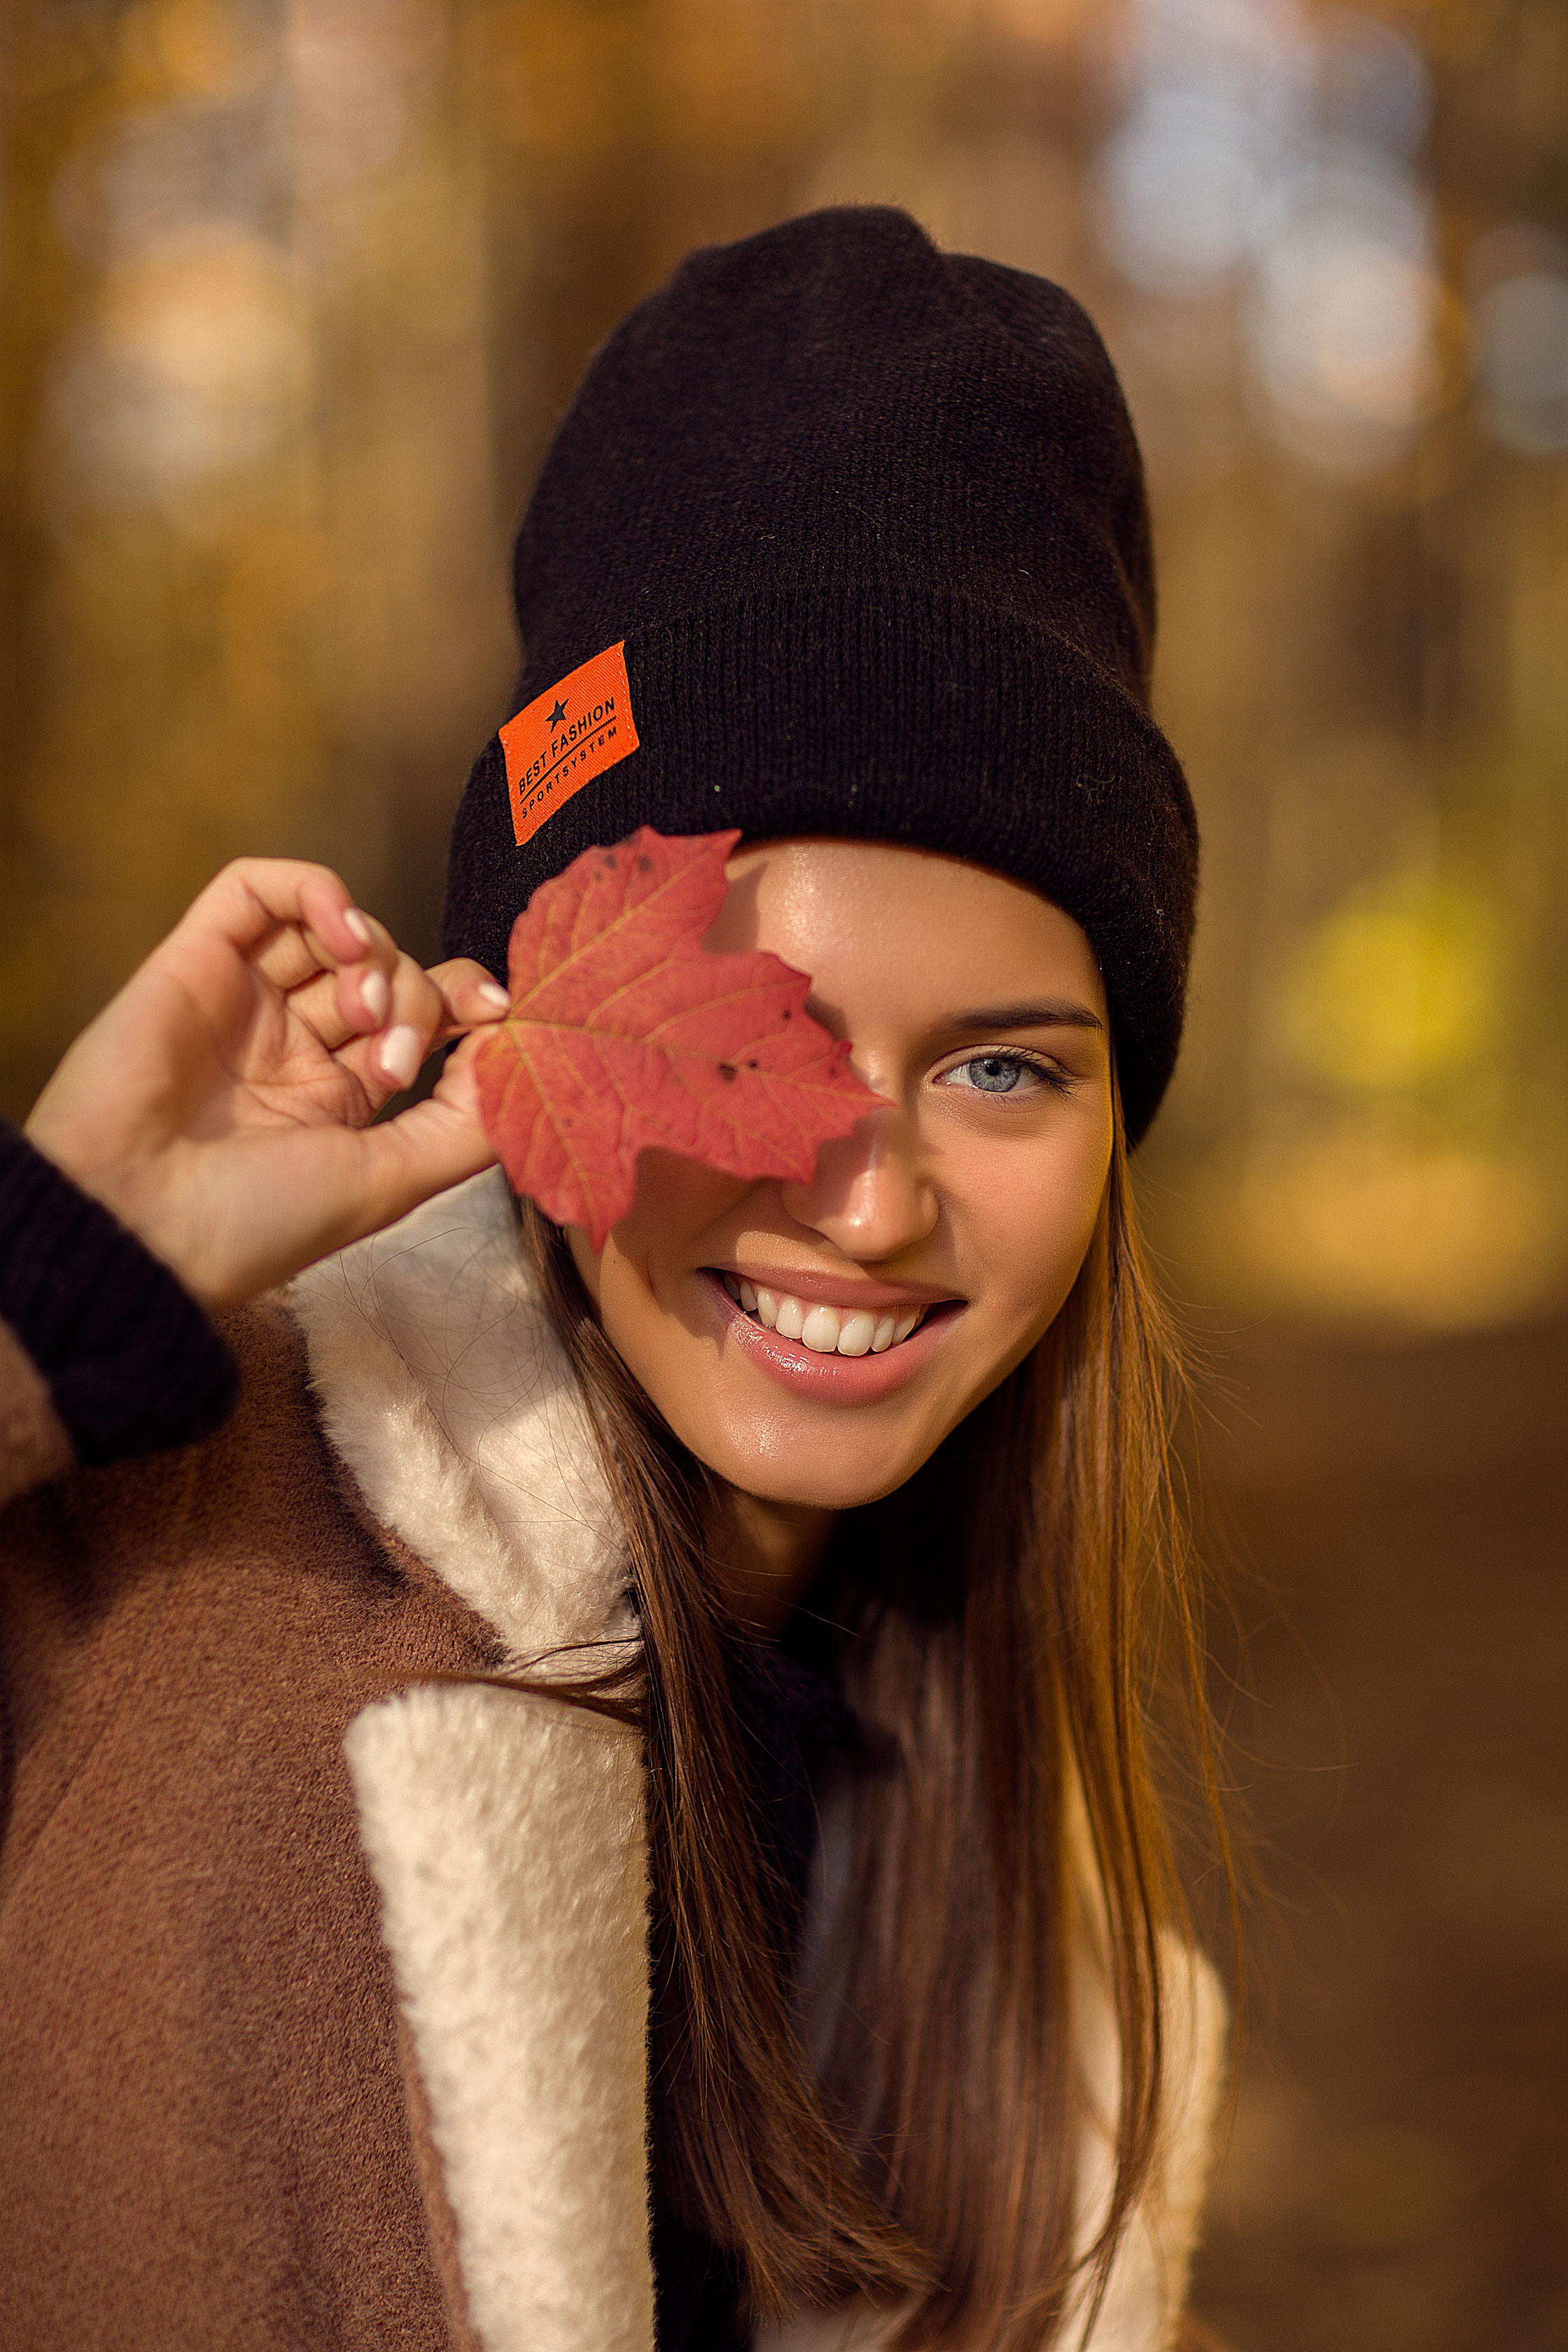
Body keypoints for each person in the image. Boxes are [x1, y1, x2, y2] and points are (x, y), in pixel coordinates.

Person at [0, 208, 1229, 2351]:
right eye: (755, 1042)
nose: (869, 1207)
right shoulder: (148, 1561)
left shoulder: (1061, 1964)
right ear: (528, 1035)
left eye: (1008, 1065)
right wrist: (43, 1283)